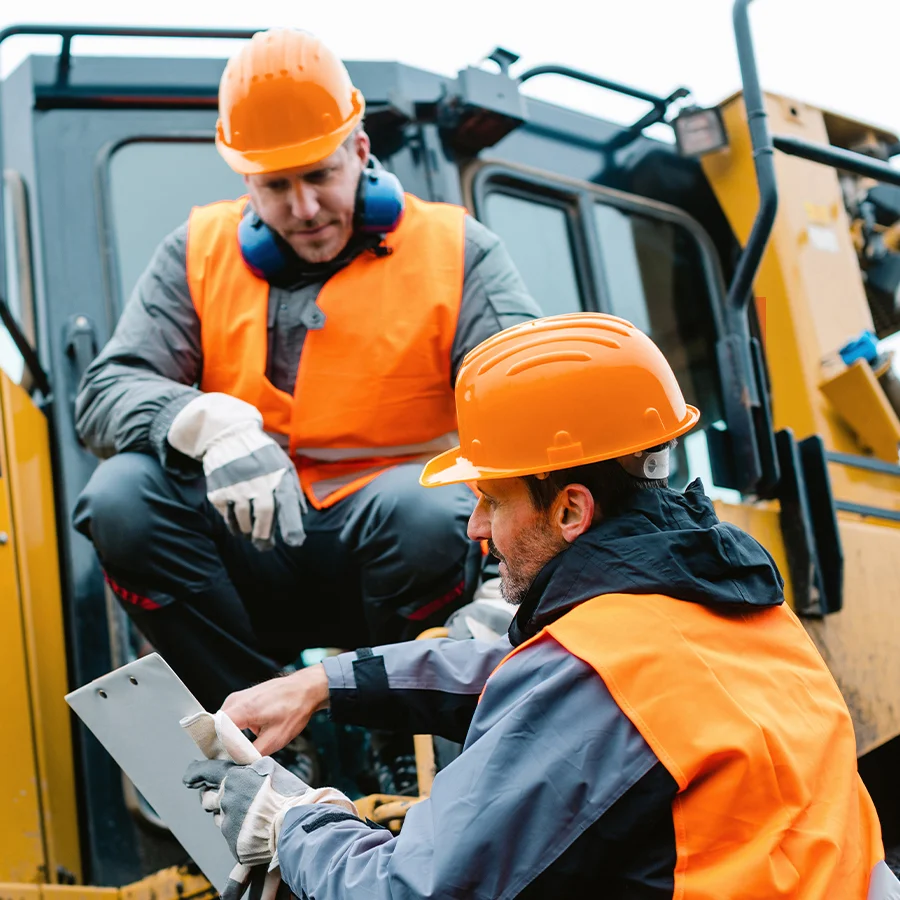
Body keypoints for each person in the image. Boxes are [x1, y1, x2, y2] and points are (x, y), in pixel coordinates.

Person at [184, 312, 900, 899]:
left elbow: (412, 892)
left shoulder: (599, 676)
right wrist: (323, 684)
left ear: (570, 511)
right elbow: (535, 679)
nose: (475, 528)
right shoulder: (728, 610)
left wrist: (295, 825)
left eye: (492, 501)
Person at [72, 23, 539, 758]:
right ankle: (265, 736)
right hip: (246, 561)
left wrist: (512, 582)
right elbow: (105, 391)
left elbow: (533, 404)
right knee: (121, 498)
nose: (305, 207)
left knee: (426, 510)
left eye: (319, 175)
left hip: (403, 560)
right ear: (245, 182)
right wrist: (202, 421)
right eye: (276, 186)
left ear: (360, 149)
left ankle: (402, 737)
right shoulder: (195, 252)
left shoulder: (459, 252)